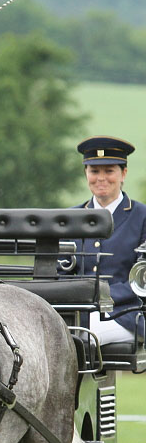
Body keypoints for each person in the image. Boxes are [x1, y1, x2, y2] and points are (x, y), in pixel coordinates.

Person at [71, 136, 146, 344]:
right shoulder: (70, 218)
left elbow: (142, 278)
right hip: (76, 312)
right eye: (94, 171)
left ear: (124, 174)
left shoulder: (142, 216)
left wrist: (98, 295)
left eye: (109, 171)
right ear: (86, 173)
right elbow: (59, 272)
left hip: (126, 313)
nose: (101, 178)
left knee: (81, 337)